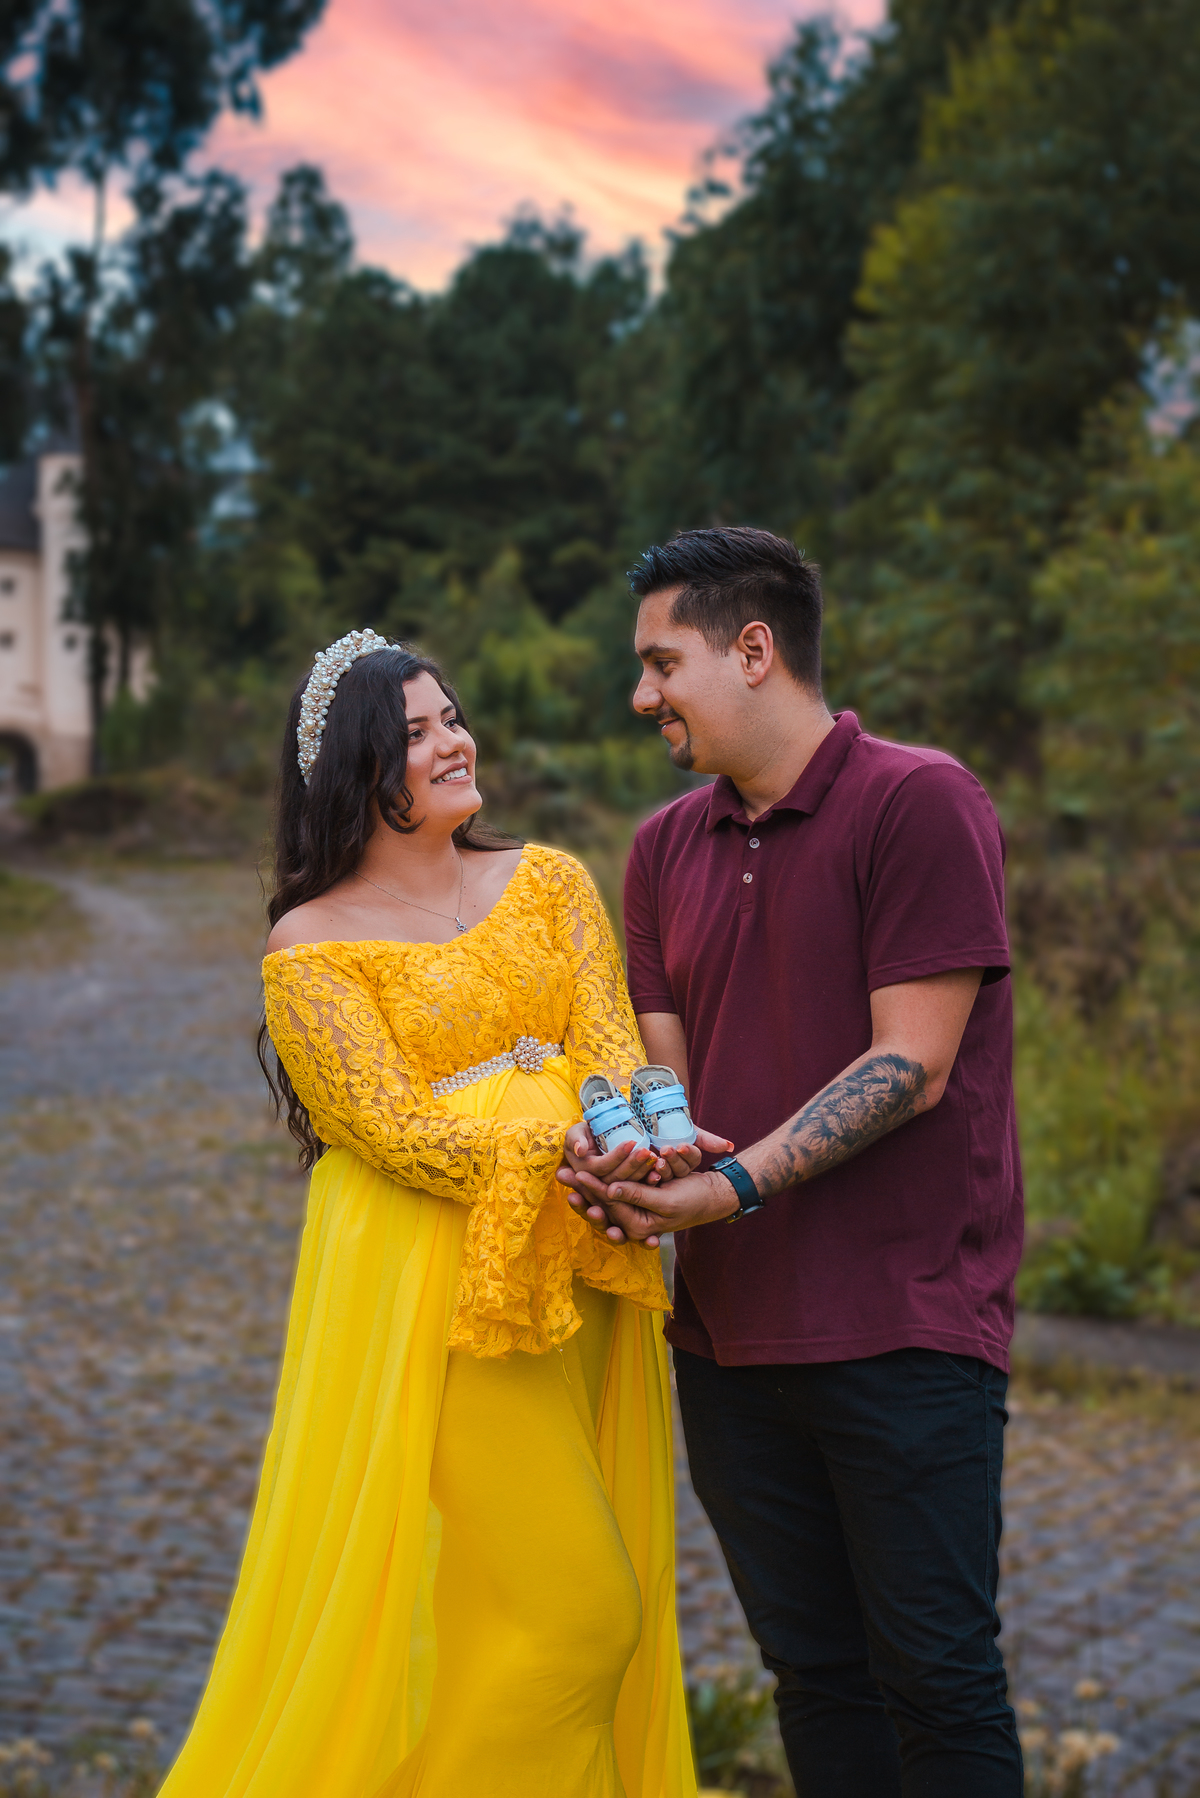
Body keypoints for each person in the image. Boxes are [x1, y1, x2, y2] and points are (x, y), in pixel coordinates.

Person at [158, 630, 715, 1798]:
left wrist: (640, 1146)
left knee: (505, 1616)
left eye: (451, 717)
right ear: (359, 769)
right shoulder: (312, 947)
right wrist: (557, 1147)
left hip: (583, 1256)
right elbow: (394, 1132)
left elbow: (610, 1047)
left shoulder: (550, 881)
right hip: (443, 1295)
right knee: (582, 1614)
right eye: (416, 732)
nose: (454, 741)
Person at [561, 529, 1025, 1797]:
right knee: (815, 1679)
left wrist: (723, 1188)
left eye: (663, 663)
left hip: (905, 1328)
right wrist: (627, 1164)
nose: (643, 695)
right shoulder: (661, 848)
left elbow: (911, 1064)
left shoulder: (920, 801)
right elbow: (670, 1089)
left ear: (754, 650)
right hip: (728, 1345)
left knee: (938, 1680)